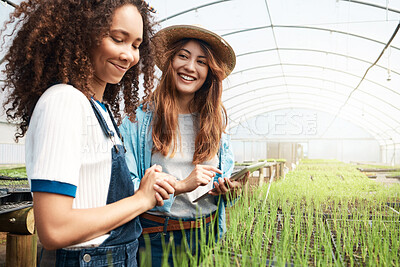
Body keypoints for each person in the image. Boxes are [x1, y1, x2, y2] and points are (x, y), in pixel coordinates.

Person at [1, 1, 176, 266]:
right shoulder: (64, 102)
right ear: (83, 31)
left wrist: (143, 189)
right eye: (118, 39)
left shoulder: (97, 109)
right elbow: (54, 229)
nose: (129, 55)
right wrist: (141, 200)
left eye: (136, 45)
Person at [120, 24, 248, 266]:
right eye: (183, 56)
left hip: (206, 232)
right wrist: (181, 185)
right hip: (157, 237)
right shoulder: (138, 120)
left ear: (210, 72)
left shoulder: (214, 121)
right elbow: (126, 186)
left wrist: (228, 191)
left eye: (201, 61)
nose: (190, 67)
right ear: (170, 61)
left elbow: (224, 176)